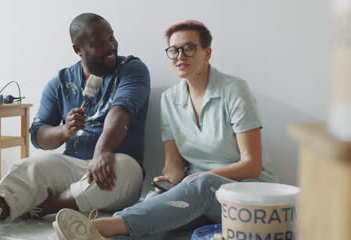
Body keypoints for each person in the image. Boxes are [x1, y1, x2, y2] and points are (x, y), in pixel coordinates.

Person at [52, 20, 277, 240]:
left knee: (201, 185)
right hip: (194, 192)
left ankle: (101, 226)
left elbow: (252, 165)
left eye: (189, 48)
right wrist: (167, 183)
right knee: (152, 209)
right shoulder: (170, 98)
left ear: (207, 53)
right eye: (174, 50)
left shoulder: (235, 90)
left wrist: (197, 179)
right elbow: (175, 165)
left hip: (243, 195)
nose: (180, 56)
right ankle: (105, 236)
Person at [0, 13, 151, 222]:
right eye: (99, 43)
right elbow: (38, 136)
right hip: (72, 164)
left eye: (111, 38)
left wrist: (103, 150)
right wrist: (64, 131)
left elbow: (119, 112)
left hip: (114, 167)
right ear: (78, 49)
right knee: (29, 167)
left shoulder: (131, 69)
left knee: (127, 169)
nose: (111, 46)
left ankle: (41, 207)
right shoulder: (60, 82)